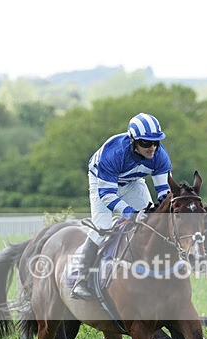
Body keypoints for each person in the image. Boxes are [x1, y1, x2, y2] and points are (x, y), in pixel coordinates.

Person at [71, 113, 173, 299]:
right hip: (103, 184)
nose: (152, 148)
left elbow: (165, 193)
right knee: (102, 228)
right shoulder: (114, 152)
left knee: (151, 222)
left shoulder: (160, 155)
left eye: (156, 142)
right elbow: (107, 195)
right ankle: (81, 278)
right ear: (133, 140)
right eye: (145, 143)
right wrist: (132, 214)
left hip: (133, 182)